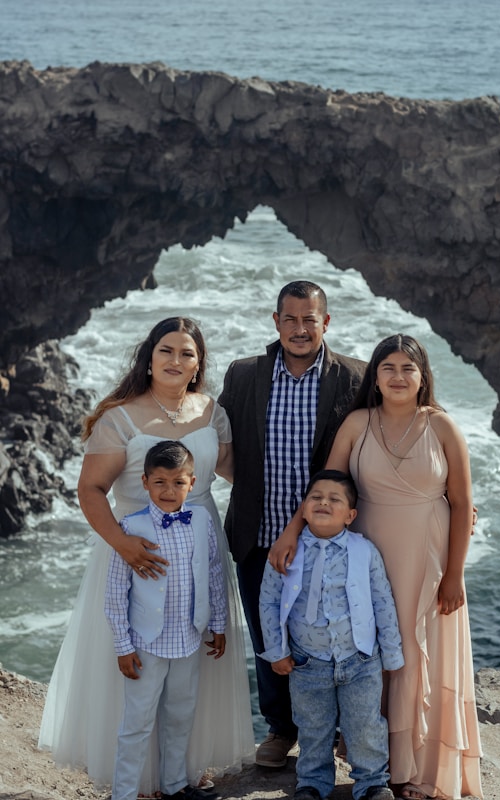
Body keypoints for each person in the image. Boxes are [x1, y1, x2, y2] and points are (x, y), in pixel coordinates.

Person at [39, 317, 255, 794]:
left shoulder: (212, 413)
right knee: (138, 669)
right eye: (166, 350)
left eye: (187, 353)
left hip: (199, 541)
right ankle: (133, 781)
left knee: (189, 681)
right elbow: (90, 489)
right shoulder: (119, 417)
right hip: (134, 547)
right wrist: (123, 545)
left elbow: (237, 472)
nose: (176, 360)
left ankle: (181, 773)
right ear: (149, 358)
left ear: (198, 364)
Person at [270, 334, 483, 800]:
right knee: (374, 652)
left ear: (422, 376)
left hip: (427, 557)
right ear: (375, 376)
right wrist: (291, 532)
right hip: (364, 556)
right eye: (388, 367)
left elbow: (463, 502)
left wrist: (454, 575)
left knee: (417, 650)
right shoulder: (357, 423)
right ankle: (379, 769)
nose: (398, 376)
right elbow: (326, 487)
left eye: (408, 368)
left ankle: (420, 771)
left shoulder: (442, 426)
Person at [218, 280, 367, 767]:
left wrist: (454, 494)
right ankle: (281, 730)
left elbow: (412, 413)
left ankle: (339, 731)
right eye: (290, 319)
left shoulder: (355, 377)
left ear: (326, 322)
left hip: (328, 538)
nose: (300, 329)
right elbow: (213, 434)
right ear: (276, 321)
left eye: (310, 319)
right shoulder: (244, 374)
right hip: (258, 533)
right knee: (269, 637)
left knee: (333, 635)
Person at [259, 470, 404, 800]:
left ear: (350, 515)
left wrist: (391, 653)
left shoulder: (364, 551)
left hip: (360, 660)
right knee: (313, 726)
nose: (323, 502)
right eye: (316, 497)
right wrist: (277, 651)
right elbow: (269, 601)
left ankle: (372, 783)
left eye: (334, 499)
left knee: (365, 725)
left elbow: (382, 600)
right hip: (307, 661)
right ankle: (312, 783)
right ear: (304, 508)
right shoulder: (286, 551)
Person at [106, 440, 226, 800]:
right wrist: (123, 645)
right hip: (146, 642)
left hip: (188, 637)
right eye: (159, 482)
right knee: (137, 722)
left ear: (192, 483)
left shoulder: (202, 520)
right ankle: (124, 794)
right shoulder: (132, 527)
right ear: (145, 482)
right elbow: (116, 591)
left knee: (180, 715)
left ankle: (174, 786)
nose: (169, 491)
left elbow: (214, 572)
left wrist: (218, 623)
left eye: (178, 482)